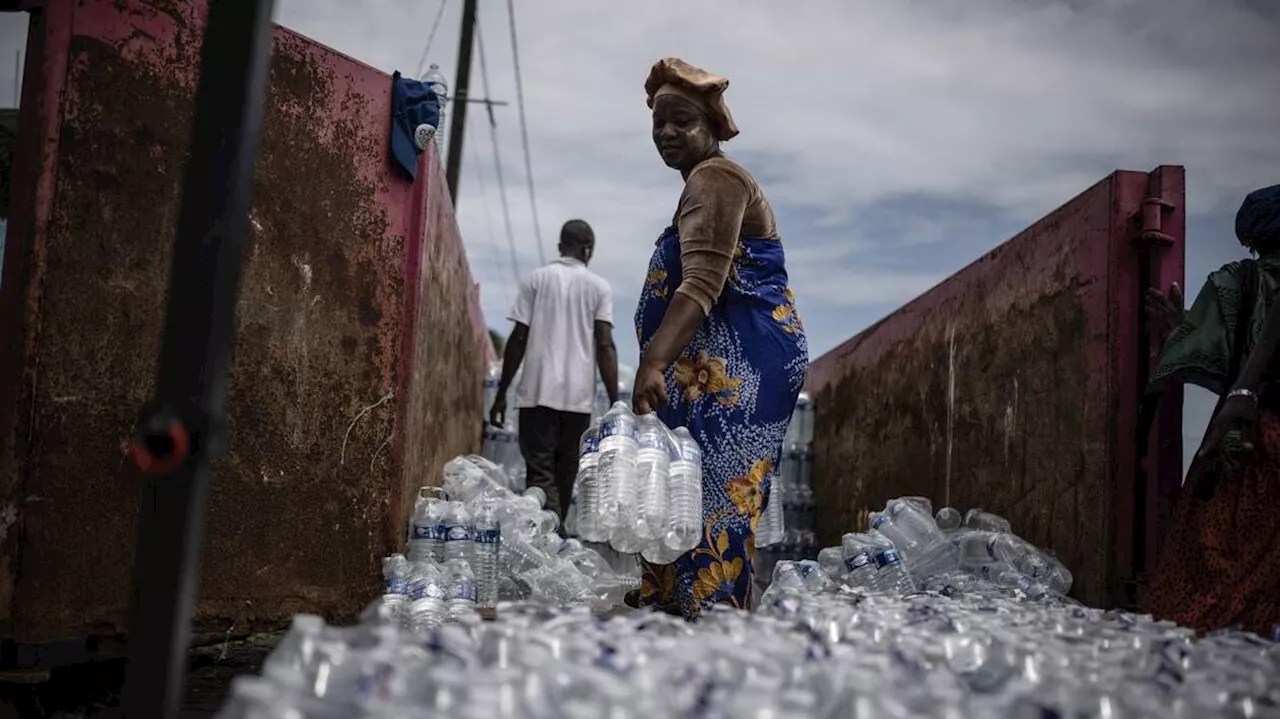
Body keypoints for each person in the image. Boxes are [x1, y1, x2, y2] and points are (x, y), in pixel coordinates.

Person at [629, 57, 808, 619]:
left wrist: (653, 361)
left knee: (719, 485)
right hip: (718, 364)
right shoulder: (701, 186)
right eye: (659, 122)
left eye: (681, 120)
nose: (667, 133)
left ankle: (713, 609)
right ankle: (675, 592)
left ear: (709, 126)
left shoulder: (717, 178)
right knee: (686, 475)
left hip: (746, 368)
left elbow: (702, 284)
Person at [1142, 184, 1280, 637]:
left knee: (1213, 563)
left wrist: (1178, 330)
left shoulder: (1236, 283)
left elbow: (1207, 359)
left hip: (1249, 439)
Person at [489, 220, 619, 520]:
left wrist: (502, 392)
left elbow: (518, 338)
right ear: (588, 250)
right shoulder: (599, 287)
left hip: (536, 395)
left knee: (540, 475)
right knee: (564, 475)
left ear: (561, 247)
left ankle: (550, 538)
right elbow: (605, 345)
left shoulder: (536, 280)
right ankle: (555, 536)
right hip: (578, 401)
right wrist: (615, 402)